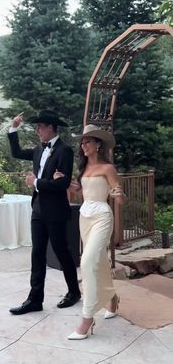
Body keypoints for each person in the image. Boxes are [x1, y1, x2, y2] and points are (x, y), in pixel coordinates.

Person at [53, 124, 126, 340]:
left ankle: (87, 318)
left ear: (98, 144)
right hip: (84, 217)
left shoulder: (108, 168)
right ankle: (112, 298)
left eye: (87, 141)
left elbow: (117, 196)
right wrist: (67, 184)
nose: (83, 145)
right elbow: (83, 192)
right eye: (82, 142)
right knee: (99, 261)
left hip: (102, 216)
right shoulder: (84, 168)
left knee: (87, 261)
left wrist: (119, 194)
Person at [7, 110, 81, 315]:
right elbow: (16, 152)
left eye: (40, 126)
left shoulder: (64, 151)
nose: (37, 130)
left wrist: (36, 182)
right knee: (37, 253)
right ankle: (34, 300)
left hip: (56, 211)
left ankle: (74, 292)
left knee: (62, 252)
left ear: (50, 127)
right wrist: (13, 129)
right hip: (38, 208)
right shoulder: (40, 150)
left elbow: (64, 184)